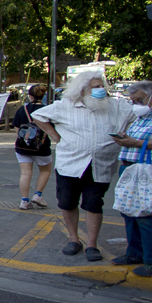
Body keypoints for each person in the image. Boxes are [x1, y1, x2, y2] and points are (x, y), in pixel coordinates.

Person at [30, 71, 135, 262]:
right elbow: (37, 115)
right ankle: (73, 238)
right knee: (68, 202)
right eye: (95, 87)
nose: (100, 90)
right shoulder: (65, 106)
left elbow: (139, 114)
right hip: (70, 164)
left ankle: (92, 244)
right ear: (82, 90)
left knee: (94, 204)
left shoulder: (115, 106)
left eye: (101, 86)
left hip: (101, 165)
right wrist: (54, 135)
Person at [109, 81, 152, 276]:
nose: (136, 104)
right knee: (130, 212)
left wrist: (136, 142)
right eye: (133, 101)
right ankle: (135, 253)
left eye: (139, 100)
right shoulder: (145, 116)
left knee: (149, 215)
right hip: (133, 169)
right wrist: (126, 138)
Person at [11, 84, 54, 210]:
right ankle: (38, 195)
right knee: (45, 170)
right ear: (43, 95)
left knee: (25, 173)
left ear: (29, 96)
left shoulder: (21, 110)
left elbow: (17, 130)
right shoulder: (47, 111)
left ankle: (24, 201)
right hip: (42, 147)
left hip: (23, 147)